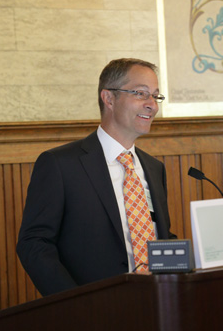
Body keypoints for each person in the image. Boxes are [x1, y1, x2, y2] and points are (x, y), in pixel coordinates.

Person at [16, 58, 176, 297]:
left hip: (158, 304)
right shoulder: (61, 165)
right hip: (93, 313)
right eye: (141, 94)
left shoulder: (154, 168)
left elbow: (160, 238)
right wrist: (74, 303)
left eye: (156, 96)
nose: (152, 105)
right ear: (109, 98)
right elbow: (34, 243)